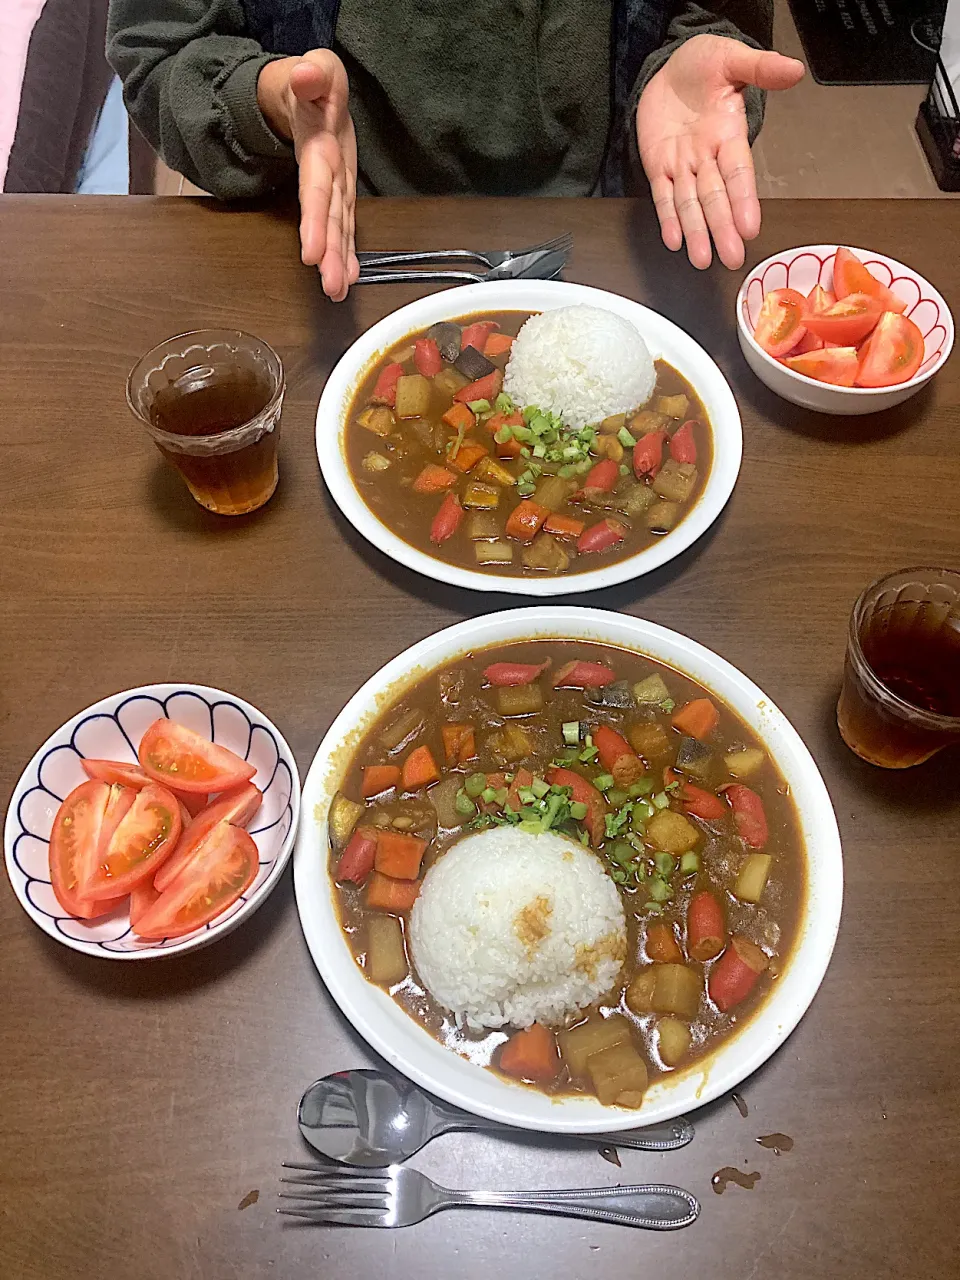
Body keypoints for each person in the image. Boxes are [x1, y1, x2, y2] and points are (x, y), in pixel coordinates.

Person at [107, 1, 803, 301]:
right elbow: (161, 52)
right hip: (337, 244)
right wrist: (265, 99)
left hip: (611, 233)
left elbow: (718, 22)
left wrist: (680, 64)